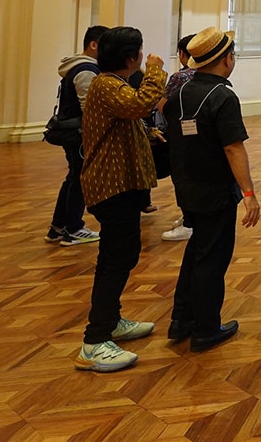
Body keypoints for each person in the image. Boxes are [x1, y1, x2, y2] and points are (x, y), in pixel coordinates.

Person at [73, 26, 166, 373]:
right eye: (141, 52)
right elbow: (142, 105)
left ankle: (110, 321)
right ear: (132, 57)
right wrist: (156, 70)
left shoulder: (114, 83)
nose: (144, 57)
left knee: (122, 255)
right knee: (116, 259)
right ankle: (94, 341)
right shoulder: (106, 84)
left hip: (120, 186)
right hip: (110, 188)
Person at [167, 27, 260, 353]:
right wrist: (249, 194)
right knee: (212, 259)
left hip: (187, 188)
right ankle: (206, 328)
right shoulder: (222, 96)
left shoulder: (179, 91)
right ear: (226, 59)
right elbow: (234, 149)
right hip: (215, 192)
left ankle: (181, 320)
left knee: (196, 252)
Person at [45, 24, 107, 246]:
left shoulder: (78, 67)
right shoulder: (86, 70)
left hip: (72, 132)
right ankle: (72, 228)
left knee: (74, 177)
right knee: (80, 179)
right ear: (94, 45)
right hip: (79, 134)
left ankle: (58, 227)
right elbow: (89, 108)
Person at [158, 35, 196, 242]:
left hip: (179, 136)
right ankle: (192, 218)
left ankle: (189, 221)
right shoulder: (210, 75)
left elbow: (162, 106)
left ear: (182, 54)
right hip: (202, 137)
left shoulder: (179, 78)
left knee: (182, 178)